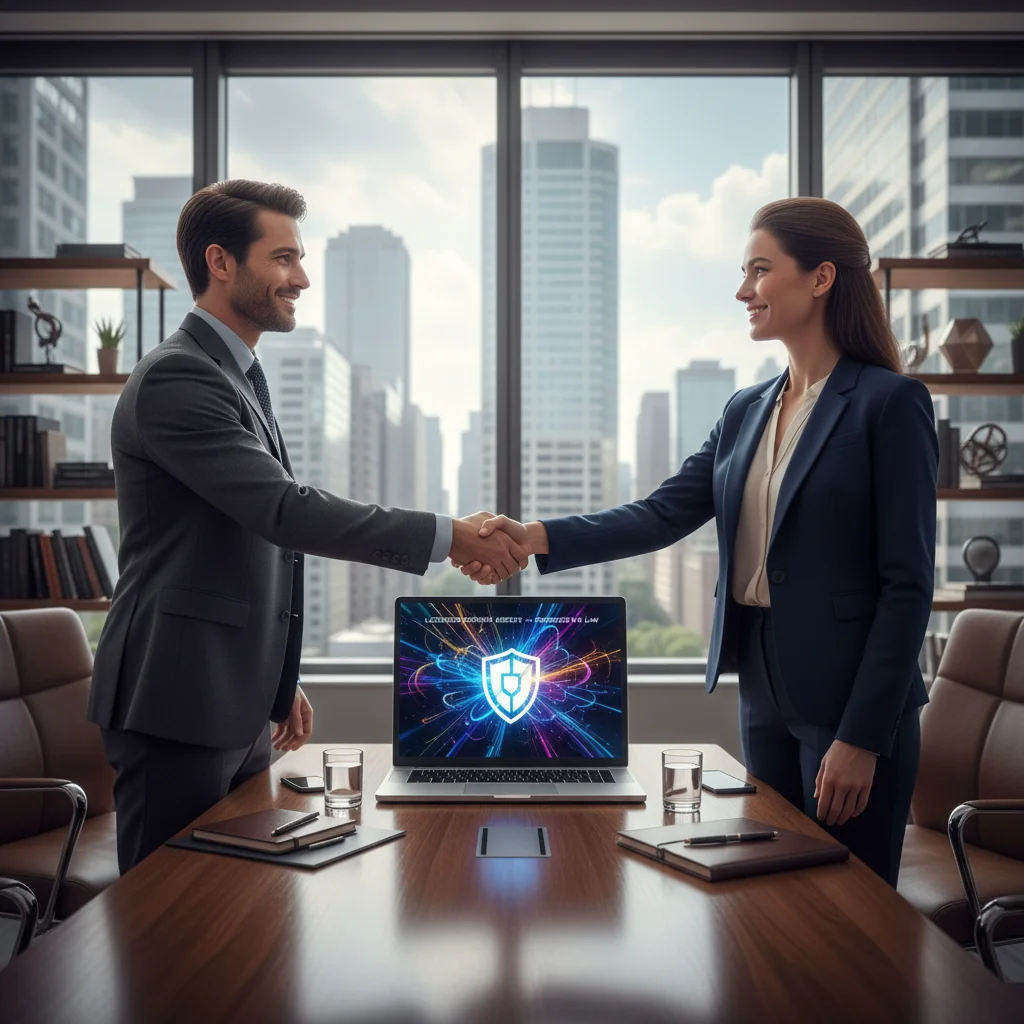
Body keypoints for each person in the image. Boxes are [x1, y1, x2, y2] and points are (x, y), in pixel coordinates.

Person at [457, 197, 937, 887]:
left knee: (848, 917)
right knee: (771, 899)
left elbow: (907, 586)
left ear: (822, 278)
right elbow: (661, 514)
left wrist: (863, 736)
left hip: (849, 697)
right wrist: (532, 538)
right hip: (762, 685)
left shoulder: (890, 404)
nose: (743, 290)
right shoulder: (748, 409)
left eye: (760, 271)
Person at [89, 179, 529, 873]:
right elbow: (285, 511)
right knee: (166, 921)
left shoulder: (232, 376)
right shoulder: (179, 379)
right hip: (175, 697)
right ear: (222, 262)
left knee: (233, 908)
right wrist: (450, 537)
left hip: (228, 696)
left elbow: (249, 543)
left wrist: (274, 675)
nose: (302, 277)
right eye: (285, 257)